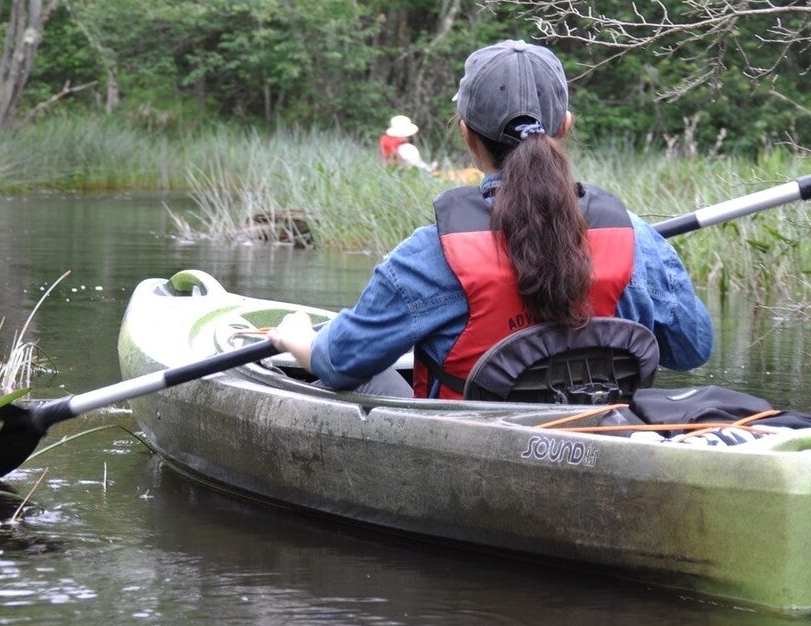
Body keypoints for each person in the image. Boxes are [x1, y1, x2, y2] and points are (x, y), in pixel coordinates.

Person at [274, 39, 712, 399]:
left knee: (356, 376)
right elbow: (692, 350)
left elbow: (340, 361)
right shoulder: (637, 240)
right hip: (595, 436)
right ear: (564, 126)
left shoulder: (429, 256)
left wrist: (296, 340)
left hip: (464, 451)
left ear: (466, 134)